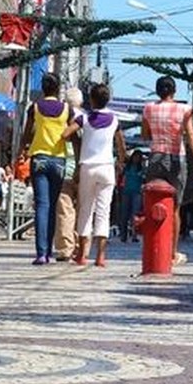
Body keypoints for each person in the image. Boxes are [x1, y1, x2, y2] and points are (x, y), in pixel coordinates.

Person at [142, 75, 193, 265]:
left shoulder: (148, 109)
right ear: (174, 91)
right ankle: (172, 252)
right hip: (177, 158)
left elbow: (146, 135)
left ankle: (152, 246)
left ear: (157, 91)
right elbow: (191, 136)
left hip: (155, 157)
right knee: (176, 207)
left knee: (152, 203)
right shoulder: (184, 110)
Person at [63, 83, 127, 266]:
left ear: (91, 100)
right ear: (108, 100)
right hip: (107, 167)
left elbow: (66, 133)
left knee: (85, 210)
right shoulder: (115, 120)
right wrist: (121, 161)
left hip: (87, 168)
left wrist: (81, 141)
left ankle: (82, 255)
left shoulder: (84, 118)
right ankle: (100, 256)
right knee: (104, 211)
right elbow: (122, 146)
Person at [19, 73, 72, 265]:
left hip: (39, 158)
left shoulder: (34, 108)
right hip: (58, 161)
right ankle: (49, 252)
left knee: (42, 205)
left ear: (43, 88)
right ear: (58, 89)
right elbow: (73, 134)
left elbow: (27, 133)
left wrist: (20, 151)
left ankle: (41, 253)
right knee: (53, 205)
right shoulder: (67, 109)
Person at [53, 87, 84, 262]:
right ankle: (80, 247)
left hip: (63, 166)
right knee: (82, 210)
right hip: (84, 168)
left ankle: (65, 249)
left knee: (65, 210)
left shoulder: (61, 117)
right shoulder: (87, 118)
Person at [119, 150, 145, 242]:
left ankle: (134, 235)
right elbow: (121, 178)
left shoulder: (142, 168)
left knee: (135, 215)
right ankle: (123, 235)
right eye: (135, 156)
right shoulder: (127, 167)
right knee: (124, 214)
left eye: (138, 157)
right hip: (126, 192)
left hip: (137, 193)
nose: (136, 159)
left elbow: (144, 180)